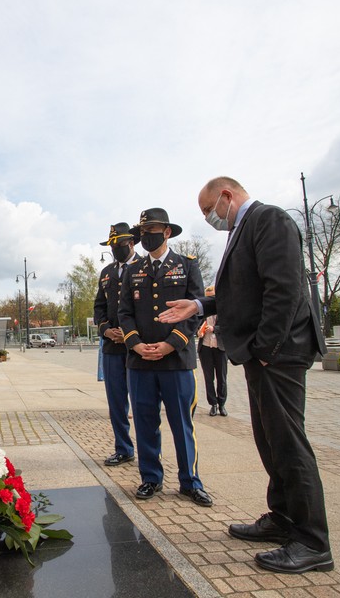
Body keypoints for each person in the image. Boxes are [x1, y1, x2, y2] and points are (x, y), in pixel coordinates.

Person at [159, 176, 332, 574]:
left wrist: (266, 351)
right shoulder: (243, 229)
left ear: (227, 195)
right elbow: (241, 291)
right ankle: (283, 519)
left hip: (279, 353)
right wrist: (198, 305)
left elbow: (283, 289)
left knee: (288, 444)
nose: (209, 218)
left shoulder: (269, 219)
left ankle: (312, 541)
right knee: (270, 441)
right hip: (265, 354)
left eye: (209, 210)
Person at [118, 208, 213, 507]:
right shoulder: (133, 270)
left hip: (176, 361)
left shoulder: (187, 265)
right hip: (140, 361)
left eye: (152, 230)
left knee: (182, 423)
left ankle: (190, 481)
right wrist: (135, 344)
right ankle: (151, 478)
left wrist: (172, 344)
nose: (147, 236)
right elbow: (124, 313)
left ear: (167, 232)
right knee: (145, 422)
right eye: (143, 232)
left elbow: (196, 311)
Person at [93, 222, 141, 467]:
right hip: (112, 347)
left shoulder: (144, 266)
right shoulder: (107, 272)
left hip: (138, 348)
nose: (115, 249)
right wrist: (106, 330)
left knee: (142, 403)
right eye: (111, 246)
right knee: (116, 402)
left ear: (131, 243)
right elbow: (99, 307)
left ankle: (149, 452)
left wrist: (130, 334)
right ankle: (123, 448)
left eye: (119, 244)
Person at [197, 286, 228, 416]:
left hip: (220, 348)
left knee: (222, 378)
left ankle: (222, 404)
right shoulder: (202, 313)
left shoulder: (224, 310)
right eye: (207, 297)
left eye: (212, 297)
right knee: (208, 378)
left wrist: (214, 329)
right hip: (205, 347)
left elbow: (229, 327)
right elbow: (195, 325)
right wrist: (199, 331)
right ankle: (213, 404)